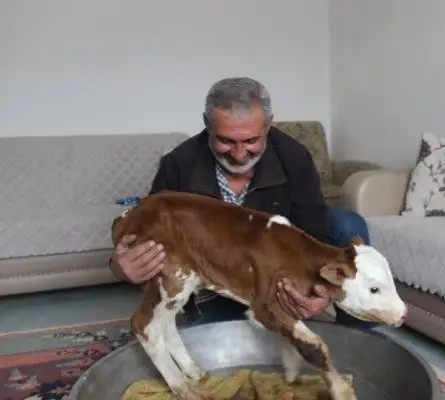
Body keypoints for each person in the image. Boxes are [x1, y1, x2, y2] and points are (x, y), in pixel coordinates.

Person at [109, 77, 376, 332]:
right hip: (215, 287)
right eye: (226, 141)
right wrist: (120, 267)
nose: (239, 155)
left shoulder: (295, 158)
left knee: (347, 224)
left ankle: (358, 337)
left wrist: (320, 293)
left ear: (268, 125)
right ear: (207, 124)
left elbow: (314, 233)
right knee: (224, 349)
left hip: (274, 278)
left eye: (251, 141)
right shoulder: (179, 165)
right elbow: (151, 236)